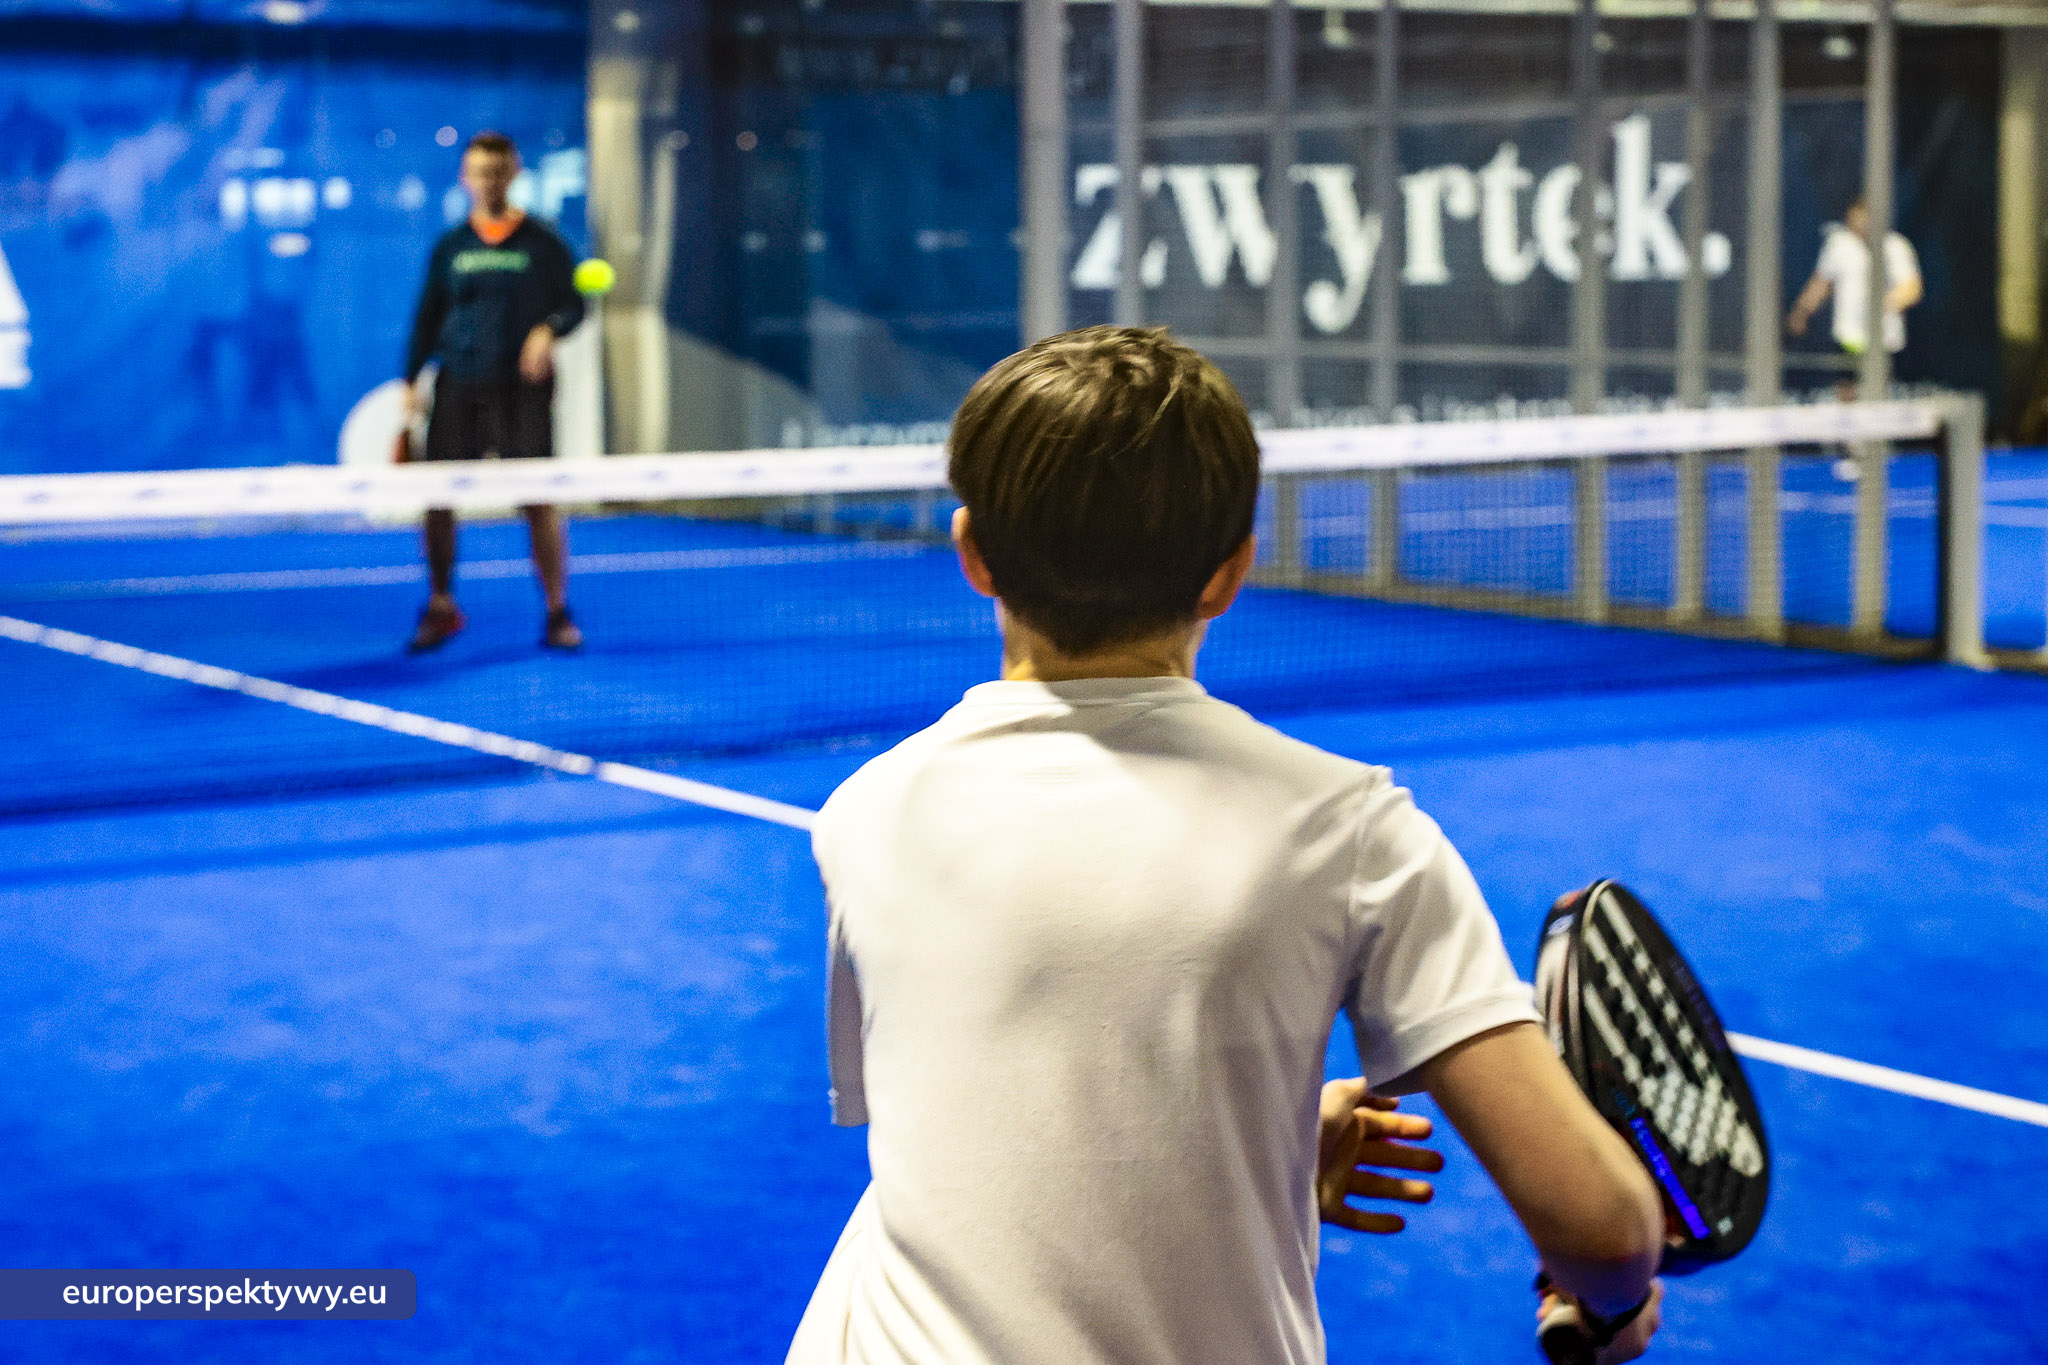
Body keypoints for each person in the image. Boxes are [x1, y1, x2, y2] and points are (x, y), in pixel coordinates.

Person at [788, 326, 1666, 1365]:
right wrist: (1610, 1299)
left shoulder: (864, 812)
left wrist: (1278, 1155)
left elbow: (986, 1143)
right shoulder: (1352, 832)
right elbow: (1600, 1232)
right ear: (1229, 572)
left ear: (971, 551)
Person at [401, 130, 585, 652]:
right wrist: (410, 379)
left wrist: (549, 330)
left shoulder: (544, 244)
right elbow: (427, 318)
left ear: (514, 174)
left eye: (498, 171)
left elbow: (575, 305)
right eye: (479, 172)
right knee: (438, 500)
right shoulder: (451, 247)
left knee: (539, 500)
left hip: (522, 392)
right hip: (459, 386)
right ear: (466, 178)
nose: (488, 181)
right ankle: (440, 606)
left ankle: (557, 612)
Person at [1786, 195, 1924, 391]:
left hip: (1885, 342)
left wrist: (1885, 304)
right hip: (1848, 338)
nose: (1862, 220)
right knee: (1846, 393)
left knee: (1881, 394)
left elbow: (1912, 289)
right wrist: (1801, 312)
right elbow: (1821, 283)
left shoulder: (1895, 246)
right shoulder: (1839, 245)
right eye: (1858, 214)